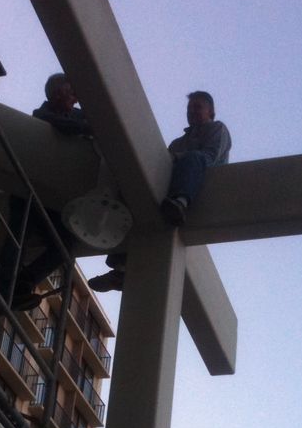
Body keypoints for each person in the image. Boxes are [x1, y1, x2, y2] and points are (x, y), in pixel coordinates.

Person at [87, 90, 231, 292]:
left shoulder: (217, 129)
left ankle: (180, 203)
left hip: (197, 178)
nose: (191, 111)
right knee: (135, 199)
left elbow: (210, 157)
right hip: (172, 182)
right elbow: (162, 162)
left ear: (211, 111)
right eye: (189, 108)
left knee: (194, 157)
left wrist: (178, 159)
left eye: (197, 107)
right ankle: (120, 270)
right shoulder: (178, 142)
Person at [0, 74, 90, 311]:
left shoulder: (75, 115)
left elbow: (92, 120)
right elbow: (67, 126)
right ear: (57, 93)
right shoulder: (43, 115)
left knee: (64, 245)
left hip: (50, 196)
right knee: (17, 240)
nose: (75, 99)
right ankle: (3, 294)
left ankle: (23, 282)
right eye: (71, 93)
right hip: (28, 192)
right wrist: (91, 127)